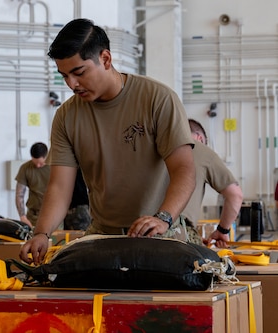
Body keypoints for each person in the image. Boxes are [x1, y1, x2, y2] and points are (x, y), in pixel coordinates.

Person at [20, 18, 196, 265]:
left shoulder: (157, 98)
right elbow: (60, 186)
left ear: (105, 59)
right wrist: (41, 233)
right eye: (64, 76)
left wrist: (163, 218)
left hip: (160, 230)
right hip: (103, 234)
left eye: (79, 72)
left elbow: (184, 170)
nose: (72, 84)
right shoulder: (66, 116)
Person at [183, 118, 243, 248]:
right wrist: (222, 230)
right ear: (199, 138)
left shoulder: (154, 147)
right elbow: (235, 195)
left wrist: (195, 239)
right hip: (177, 237)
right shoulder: (198, 148)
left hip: (138, 233)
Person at [15, 142, 51, 227]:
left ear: (46, 156)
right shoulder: (25, 168)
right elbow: (19, 194)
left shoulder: (55, 167)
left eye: (41, 163)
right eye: (35, 163)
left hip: (53, 214)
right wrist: (22, 216)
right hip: (33, 216)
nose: (38, 166)